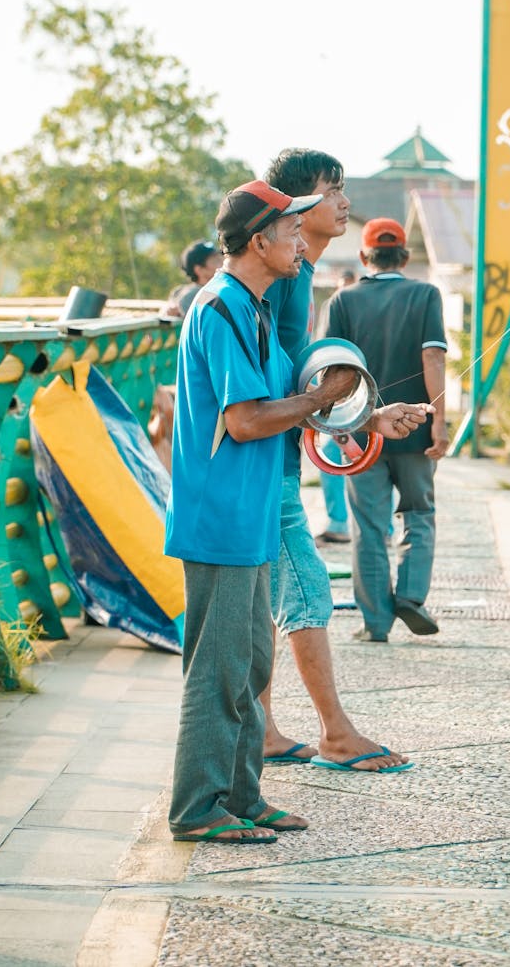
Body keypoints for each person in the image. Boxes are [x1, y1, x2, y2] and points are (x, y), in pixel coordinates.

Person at [165, 179, 360, 844]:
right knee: (217, 670)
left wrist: (358, 409)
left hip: (249, 519)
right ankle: (196, 808)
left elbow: (290, 393)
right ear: (259, 241)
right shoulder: (219, 310)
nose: (302, 246)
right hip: (219, 517)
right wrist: (317, 401)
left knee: (251, 666)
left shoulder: (252, 308)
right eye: (293, 235)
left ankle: (243, 796)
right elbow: (246, 420)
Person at [261, 150, 427, 773]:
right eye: (333, 190)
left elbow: (289, 378)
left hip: (272, 460)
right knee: (305, 594)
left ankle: (266, 730)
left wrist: (367, 418)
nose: (344, 202)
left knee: (272, 600)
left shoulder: (298, 271)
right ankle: (335, 733)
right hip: (262, 466)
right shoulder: (281, 274)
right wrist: (349, 412)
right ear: (298, 208)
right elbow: (270, 384)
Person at [325, 217, 450, 643]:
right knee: (419, 514)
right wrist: (439, 423)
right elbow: (433, 358)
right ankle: (412, 597)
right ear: (406, 256)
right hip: (415, 427)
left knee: (369, 525)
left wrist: (341, 431)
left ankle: (375, 623)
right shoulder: (425, 294)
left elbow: (333, 371)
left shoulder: (343, 301)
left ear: (364, 256)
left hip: (363, 433)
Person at [317, 270, 357, 546]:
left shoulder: (358, 307)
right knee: (332, 452)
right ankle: (338, 521)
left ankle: (386, 527)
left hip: (363, 390)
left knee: (367, 459)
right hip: (338, 394)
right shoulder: (331, 307)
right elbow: (322, 350)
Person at [163, 239, 223, 318]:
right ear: (199, 270)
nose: (222, 263)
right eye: (216, 261)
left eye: (220, 258)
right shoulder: (195, 296)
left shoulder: (179, 291)